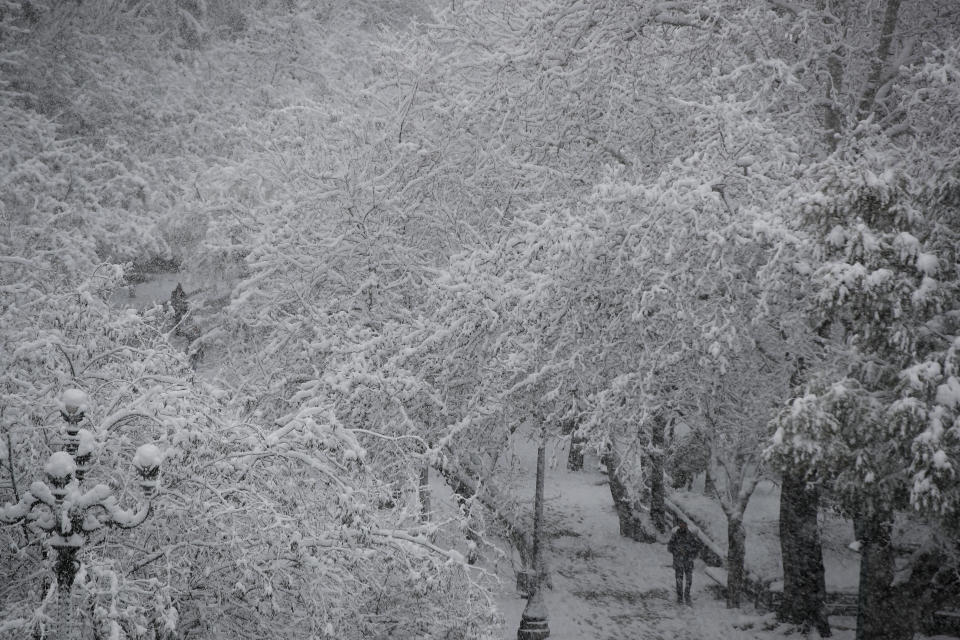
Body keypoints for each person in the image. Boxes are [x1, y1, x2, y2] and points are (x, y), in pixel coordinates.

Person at [667, 519, 701, 604]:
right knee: (679, 580)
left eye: (684, 523)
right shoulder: (675, 535)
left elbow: (697, 548)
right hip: (678, 561)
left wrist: (689, 552)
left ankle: (687, 595)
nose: (682, 525)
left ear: (686, 524)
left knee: (689, 580)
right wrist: (677, 551)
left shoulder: (691, 535)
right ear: (678, 524)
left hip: (688, 562)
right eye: (680, 523)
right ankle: (679, 597)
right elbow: (669, 548)